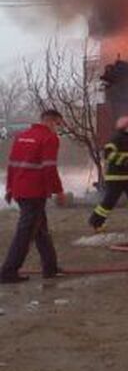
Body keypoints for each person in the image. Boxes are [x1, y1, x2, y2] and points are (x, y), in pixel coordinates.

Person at [1, 109, 64, 283]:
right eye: (58, 124)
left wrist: (9, 188)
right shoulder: (49, 138)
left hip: (20, 190)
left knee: (40, 229)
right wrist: (58, 191)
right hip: (35, 192)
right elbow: (49, 167)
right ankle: (8, 271)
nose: (58, 128)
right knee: (26, 232)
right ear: (52, 121)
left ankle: (50, 267)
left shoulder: (22, 136)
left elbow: (12, 164)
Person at [88, 115, 128, 231]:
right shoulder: (116, 138)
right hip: (116, 176)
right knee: (110, 200)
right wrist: (123, 161)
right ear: (124, 127)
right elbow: (108, 154)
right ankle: (96, 222)